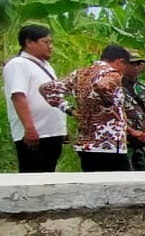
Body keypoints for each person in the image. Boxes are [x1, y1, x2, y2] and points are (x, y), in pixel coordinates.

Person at [40, 44, 131, 172]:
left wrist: (69, 110)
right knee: (121, 187)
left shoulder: (80, 74)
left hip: (85, 144)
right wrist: (108, 110)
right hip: (109, 142)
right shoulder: (113, 74)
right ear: (120, 62)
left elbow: (46, 88)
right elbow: (101, 86)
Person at [2, 24, 68, 173]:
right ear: (29, 42)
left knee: (48, 175)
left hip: (52, 132)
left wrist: (62, 126)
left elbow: (54, 96)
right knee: (32, 177)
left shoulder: (47, 66)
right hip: (35, 134)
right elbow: (18, 96)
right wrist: (29, 128)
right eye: (45, 42)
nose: (50, 46)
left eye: (51, 42)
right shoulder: (18, 64)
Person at [122, 52, 145, 171]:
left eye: (139, 63)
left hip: (142, 141)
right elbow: (112, 115)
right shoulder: (115, 87)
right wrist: (132, 131)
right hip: (123, 140)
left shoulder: (144, 88)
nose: (135, 67)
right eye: (132, 63)